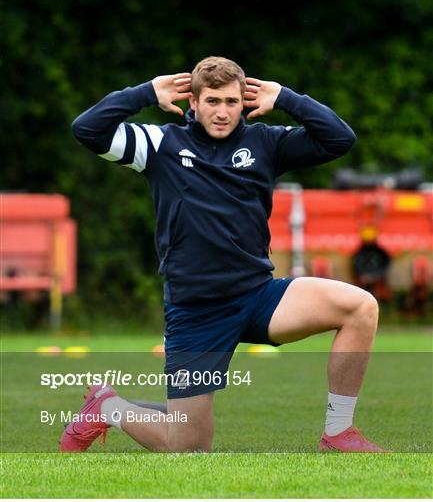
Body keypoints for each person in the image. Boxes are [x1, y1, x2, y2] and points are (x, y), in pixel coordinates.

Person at [60, 56, 387, 453]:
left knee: (360, 307)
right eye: (212, 101)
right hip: (197, 312)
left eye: (232, 102)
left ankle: (338, 432)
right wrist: (145, 93)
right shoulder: (161, 144)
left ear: (244, 102)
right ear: (193, 103)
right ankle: (108, 405)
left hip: (258, 296)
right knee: (189, 448)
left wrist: (286, 97)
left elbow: (339, 139)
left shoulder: (265, 142)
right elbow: (87, 130)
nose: (222, 112)